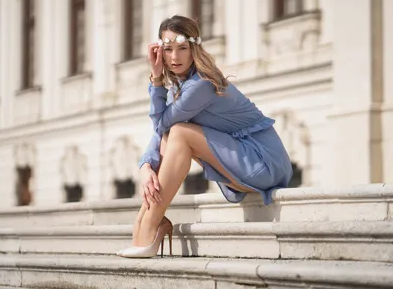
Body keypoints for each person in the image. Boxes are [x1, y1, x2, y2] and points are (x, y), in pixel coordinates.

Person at [116, 15, 293, 258]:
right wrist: (146, 166)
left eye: (182, 48)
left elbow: (162, 123)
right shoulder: (180, 86)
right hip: (240, 161)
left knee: (179, 132)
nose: (175, 57)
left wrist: (156, 78)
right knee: (174, 134)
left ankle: (148, 226)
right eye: (168, 49)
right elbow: (162, 131)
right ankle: (144, 224)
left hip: (262, 162)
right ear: (160, 52)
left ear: (194, 49)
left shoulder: (201, 84)